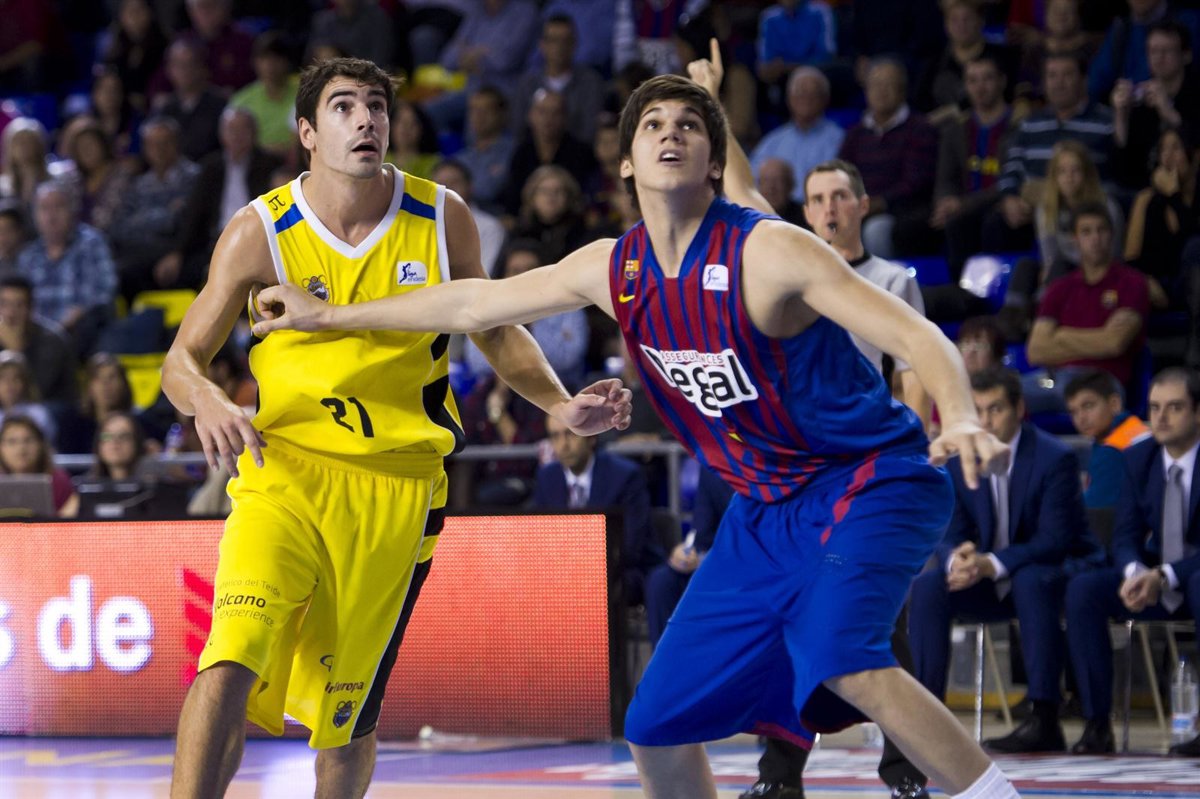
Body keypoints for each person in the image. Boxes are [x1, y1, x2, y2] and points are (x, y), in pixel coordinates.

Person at [252, 45, 1018, 799]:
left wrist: (958, 414)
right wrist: (327, 315)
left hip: (868, 477)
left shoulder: (771, 250)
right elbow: (473, 302)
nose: (670, 133)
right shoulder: (612, 267)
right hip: (765, 508)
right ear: (626, 162)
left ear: (713, 161)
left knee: (843, 654)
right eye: (653, 124)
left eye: (689, 124)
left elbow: (917, 334)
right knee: (654, 723)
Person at [160, 57, 630, 799]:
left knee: (346, 721)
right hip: (284, 477)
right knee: (229, 656)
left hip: (397, 490)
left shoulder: (441, 216)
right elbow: (179, 361)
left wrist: (560, 403)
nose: (366, 119)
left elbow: (492, 326)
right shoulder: (260, 230)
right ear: (307, 132)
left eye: (376, 106)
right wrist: (208, 401)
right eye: (344, 107)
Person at [909, 367, 1100, 754]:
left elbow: (1054, 540)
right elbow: (949, 531)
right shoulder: (960, 460)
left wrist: (990, 564)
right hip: (994, 577)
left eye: (995, 409)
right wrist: (958, 558)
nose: (985, 421)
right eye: (977, 411)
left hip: (1057, 572)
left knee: (1031, 579)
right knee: (929, 586)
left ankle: (1044, 717)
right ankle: (926, 718)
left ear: (1019, 409)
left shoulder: (1054, 458)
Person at [1065, 366, 1200, 757]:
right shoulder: (1139, 458)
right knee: (1084, 590)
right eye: (1154, 407)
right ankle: (1096, 724)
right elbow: (1124, 534)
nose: (1161, 417)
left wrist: (1165, 576)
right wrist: (1135, 572)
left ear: (1197, 412)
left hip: (1190, 576)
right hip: (1157, 576)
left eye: (1174, 407)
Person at [1025, 202, 1150, 413]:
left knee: (1080, 398)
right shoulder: (1059, 288)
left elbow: (1114, 343)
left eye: (1101, 230)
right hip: (1056, 379)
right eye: (1086, 232)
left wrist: (1061, 335)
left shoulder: (1132, 283)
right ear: (1075, 239)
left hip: (1103, 382)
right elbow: (1035, 351)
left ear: (1112, 235)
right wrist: (1099, 337)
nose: (1095, 238)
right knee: (1004, 396)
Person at [532, 413, 663, 604]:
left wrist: (577, 570)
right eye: (555, 436)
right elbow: (540, 543)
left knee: (589, 589)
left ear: (591, 437)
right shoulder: (547, 477)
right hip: (566, 575)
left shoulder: (624, 476)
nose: (563, 445)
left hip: (622, 572)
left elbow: (629, 548)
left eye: (570, 434)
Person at [1064, 368, 1151, 509]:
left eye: (1088, 406)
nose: (1081, 418)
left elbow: (1095, 512)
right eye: (1073, 412)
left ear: (1114, 404)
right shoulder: (1135, 427)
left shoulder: (1111, 451)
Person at [0, 414, 77, 517]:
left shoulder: (59, 480)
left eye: (28, 440)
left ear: (41, 445)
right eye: (12, 441)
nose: (21, 447)